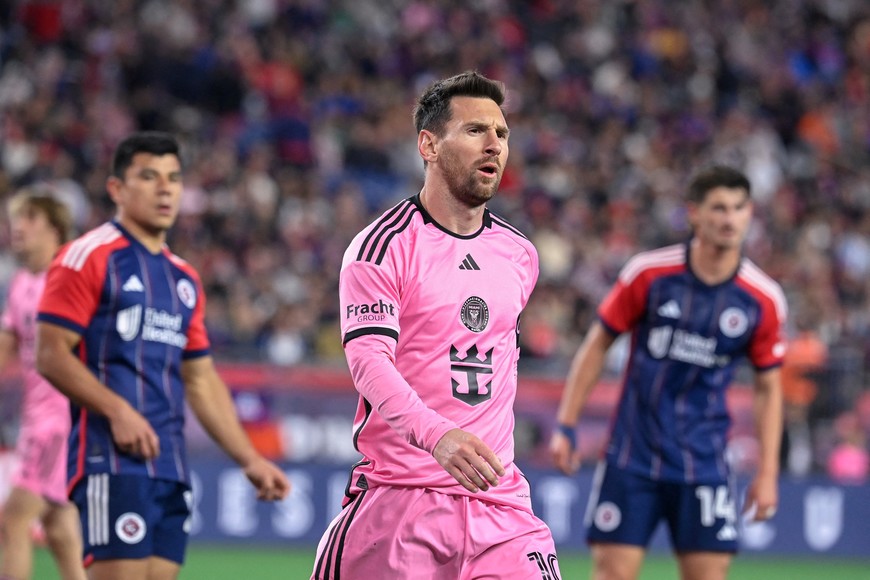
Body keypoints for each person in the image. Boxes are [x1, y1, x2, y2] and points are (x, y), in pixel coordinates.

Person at [311, 71, 560, 580]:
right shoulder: (382, 247)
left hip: (500, 507)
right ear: (428, 144)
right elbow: (368, 361)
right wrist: (437, 436)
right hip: (401, 503)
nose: (494, 144)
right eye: (474, 131)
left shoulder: (519, 255)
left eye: (502, 133)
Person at [34, 131, 290, 580]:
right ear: (116, 188)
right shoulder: (86, 257)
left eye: (173, 178)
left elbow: (201, 379)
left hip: (169, 466)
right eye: (149, 177)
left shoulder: (183, 278)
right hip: (110, 459)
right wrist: (117, 411)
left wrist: (248, 458)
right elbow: (50, 354)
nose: (165, 188)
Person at [550, 165, 787, 580]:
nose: (729, 218)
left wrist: (768, 473)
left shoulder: (762, 299)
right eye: (718, 208)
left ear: (750, 214)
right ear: (694, 214)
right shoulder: (649, 274)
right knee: (611, 574)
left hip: (706, 463)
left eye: (738, 207)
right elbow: (597, 345)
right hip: (632, 456)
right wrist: (566, 423)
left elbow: (769, 388)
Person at [0, 192, 86, 580]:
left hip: (60, 420)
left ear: (54, 228)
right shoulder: (20, 283)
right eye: (15, 218)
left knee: (13, 521)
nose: (18, 226)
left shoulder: (69, 279)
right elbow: (5, 349)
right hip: (34, 420)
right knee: (59, 529)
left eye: (30, 217)